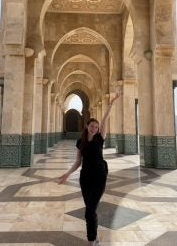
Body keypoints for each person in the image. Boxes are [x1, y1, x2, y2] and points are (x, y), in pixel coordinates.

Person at [59, 94, 120, 246]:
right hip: (85, 178)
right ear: (87, 126)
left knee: (90, 210)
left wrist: (111, 104)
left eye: (96, 127)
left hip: (100, 177)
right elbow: (78, 161)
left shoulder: (100, 138)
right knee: (90, 210)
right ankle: (95, 236)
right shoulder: (80, 142)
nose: (95, 128)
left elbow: (105, 119)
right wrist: (67, 173)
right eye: (92, 126)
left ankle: (91, 240)